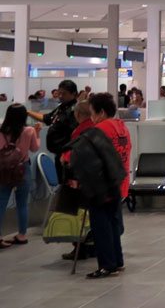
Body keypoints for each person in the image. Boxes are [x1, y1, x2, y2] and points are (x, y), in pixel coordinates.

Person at [82, 93, 131, 278]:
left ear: (101, 112)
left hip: (103, 186)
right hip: (119, 183)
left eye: (92, 112)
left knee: (101, 226)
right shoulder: (122, 127)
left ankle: (107, 265)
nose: (91, 117)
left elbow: (89, 155)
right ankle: (117, 262)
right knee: (113, 225)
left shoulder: (100, 130)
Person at [59, 101, 97, 261]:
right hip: (95, 179)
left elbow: (75, 154)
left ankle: (79, 249)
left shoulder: (80, 131)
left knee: (78, 216)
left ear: (78, 114)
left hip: (80, 179)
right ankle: (93, 247)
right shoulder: (96, 128)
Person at [0, 103, 41, 249]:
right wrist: (38, 134)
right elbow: (34, 148)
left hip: (4, 170)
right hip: (23, 169)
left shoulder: (1, 131)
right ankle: (22, 235)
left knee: (1, 203)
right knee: (22, 204)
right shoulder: (29, 130)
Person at [26, 79, 78, 183]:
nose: (60, 96)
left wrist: (68, 154)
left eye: (64, 94)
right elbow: (46, 118)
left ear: (73, 94)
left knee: (68, 184)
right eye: (59, 93)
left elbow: (75, 135)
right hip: (59, 154)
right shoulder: (61, 107)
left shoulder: (75, 111)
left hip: (67, 156)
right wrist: (27, 112)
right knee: (61, 182)